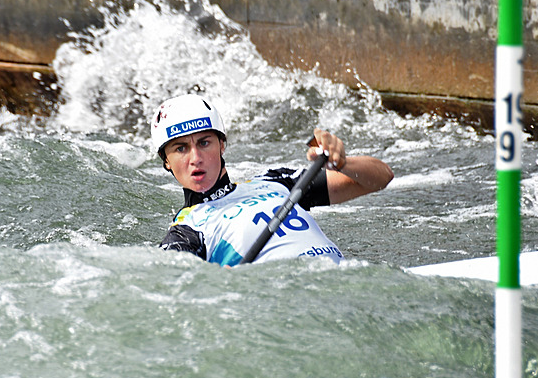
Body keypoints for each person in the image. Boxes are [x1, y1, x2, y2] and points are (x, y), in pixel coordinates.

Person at [151, 94, 393, 266]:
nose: (196, 158)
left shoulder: (277, 183)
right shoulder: (188, 230)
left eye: (204, 143)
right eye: (181, 149)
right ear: (166, 161)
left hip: (346, 279)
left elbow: (381, 177)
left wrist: (342, 163)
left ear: (221, 145)